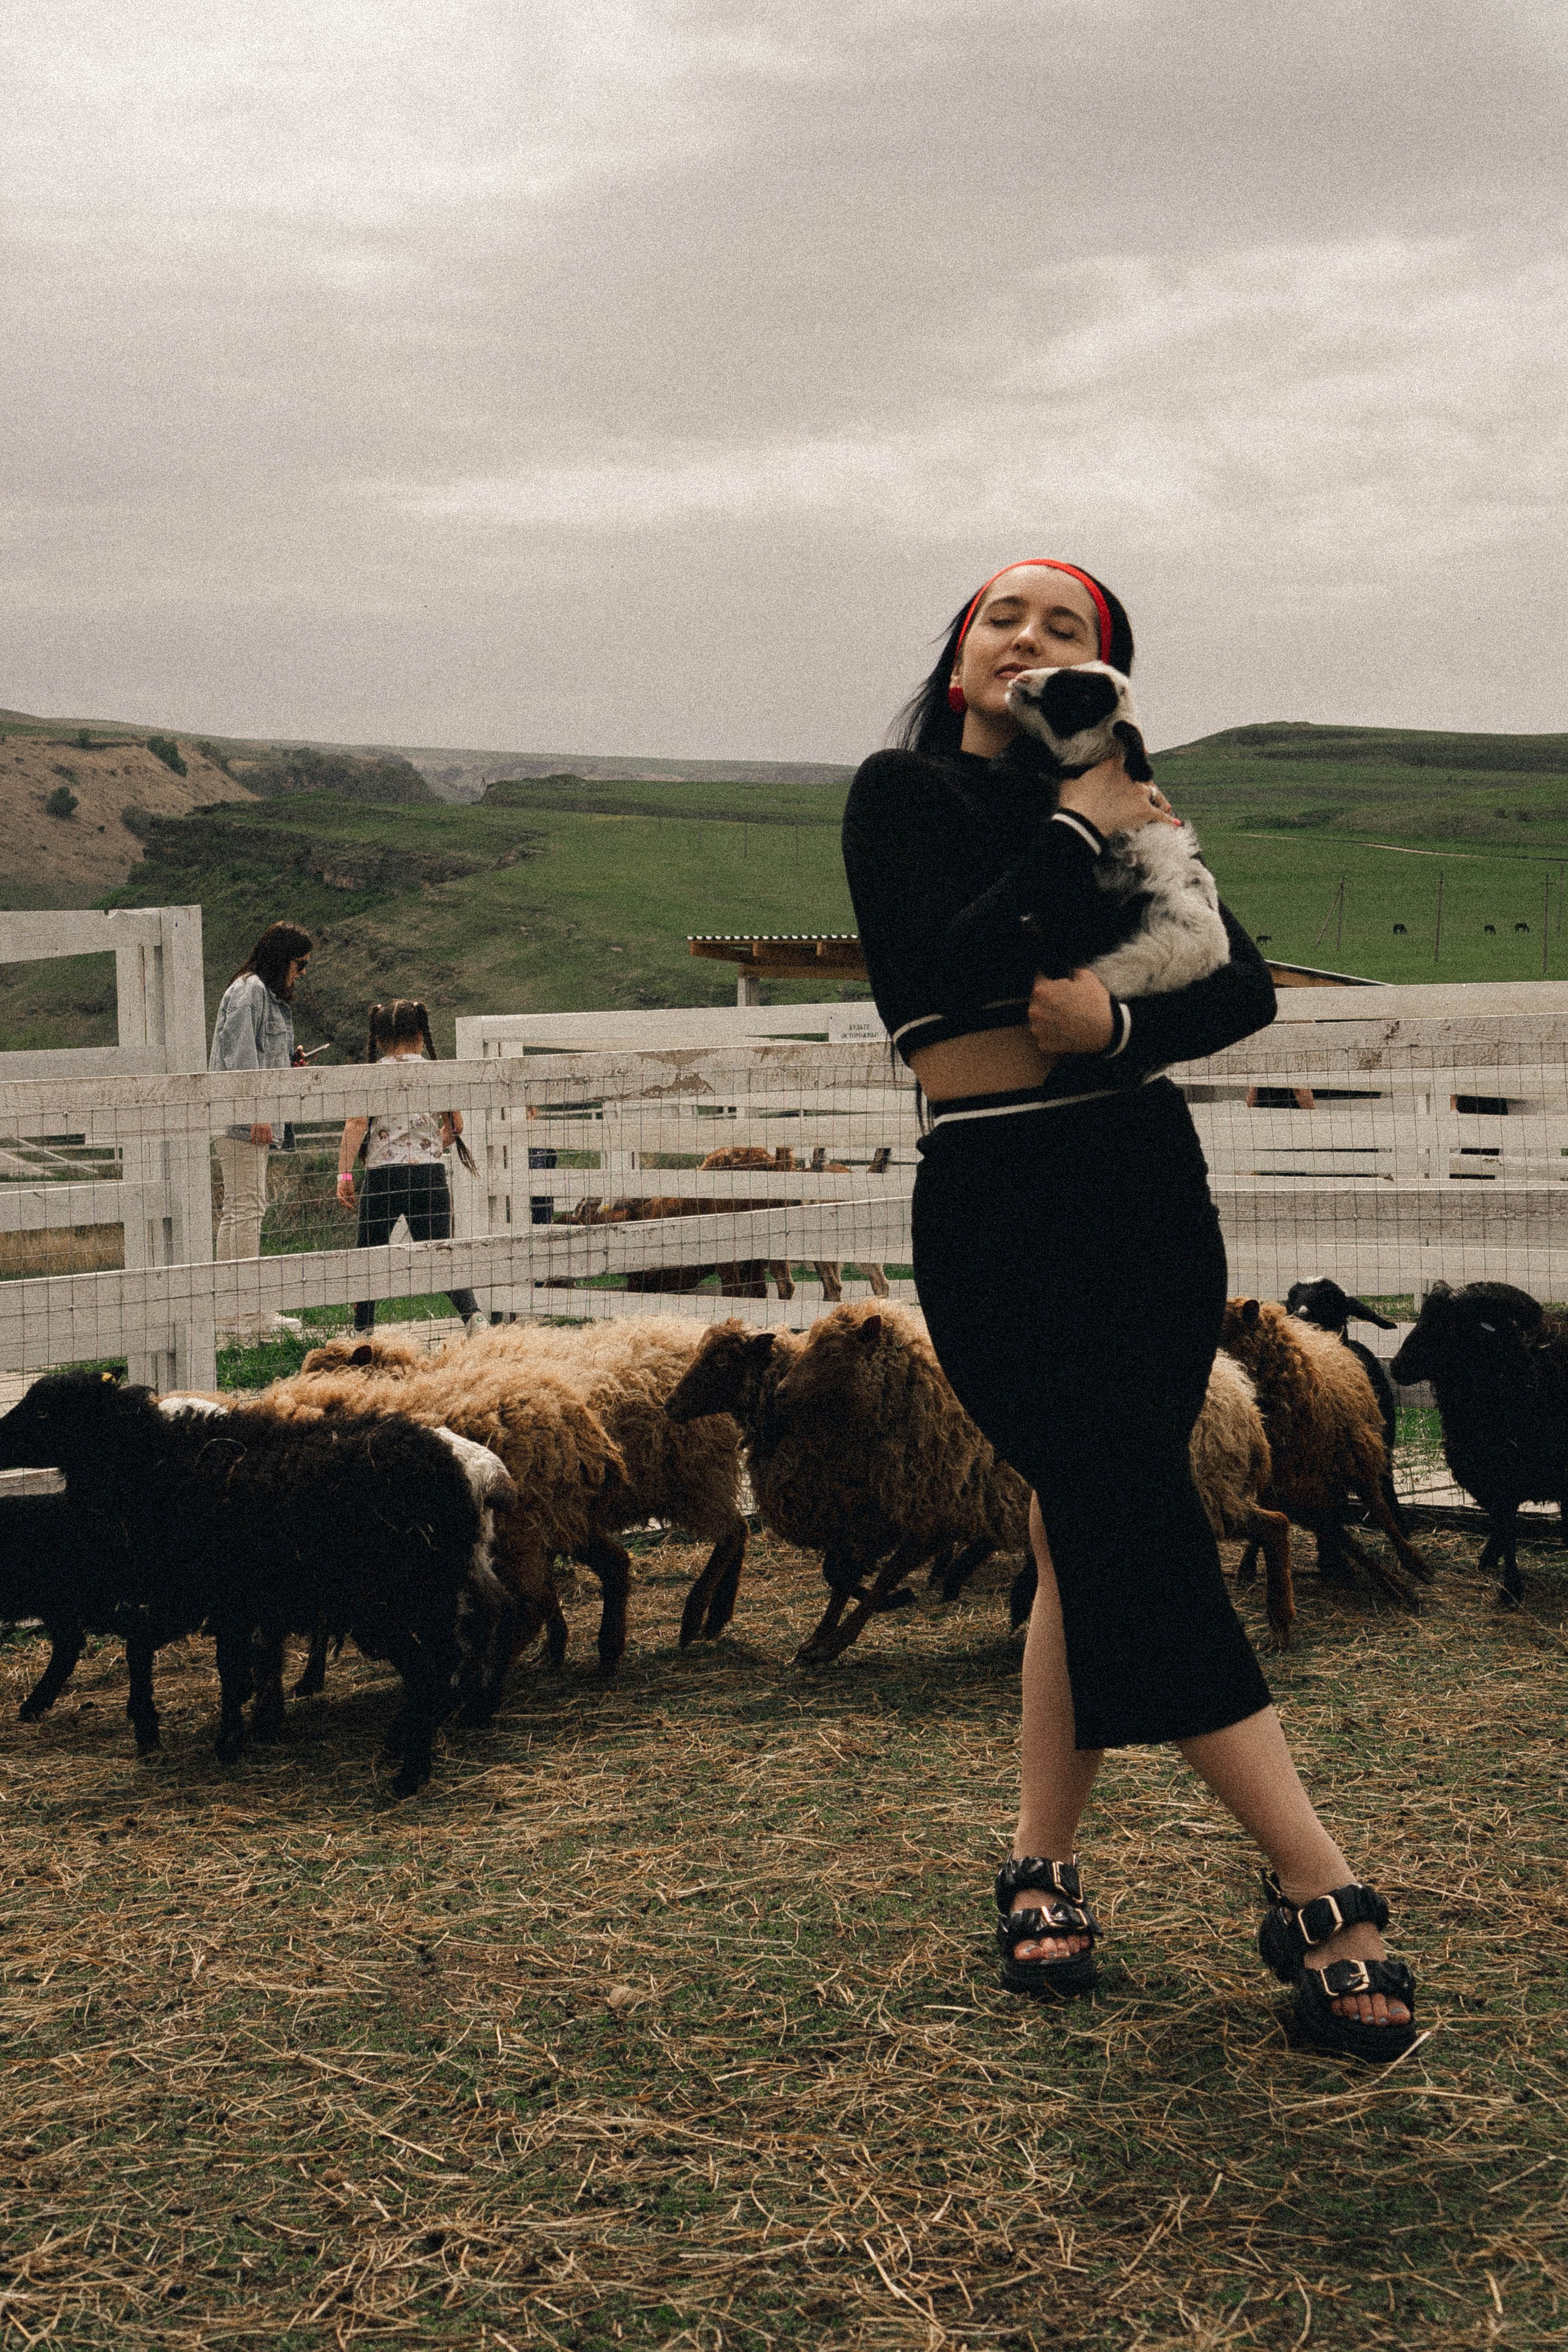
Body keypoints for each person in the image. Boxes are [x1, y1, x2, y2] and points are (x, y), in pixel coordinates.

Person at [841, 560, 1416, 2062]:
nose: (1025, 639)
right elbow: (943, 961)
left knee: (1084, 1516)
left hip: (1140, 1189)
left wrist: (1121, 1021)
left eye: (1066, 629)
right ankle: (1319, 1886)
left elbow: (1240, 983)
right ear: (963, 652)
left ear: (1101, 677)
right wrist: (1066, 831)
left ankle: (1039, 1861)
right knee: (1118, 1510)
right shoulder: (898, 797)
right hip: (994, 1192)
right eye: (1002, 617)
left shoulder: (1129, 802)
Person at [336, 999, 484, 1336]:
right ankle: (474, 1318)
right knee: (440, 1253)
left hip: (382, 1177)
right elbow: (456, 1125)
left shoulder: (371, 1075)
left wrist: (345, 1175)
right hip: (427, 1176)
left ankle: (362, 1332)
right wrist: (433, 1142)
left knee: (369, 1256)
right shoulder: (435, 1073)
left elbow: (356, 1124)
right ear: (420, 1034)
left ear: (379, 1038)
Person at [208, 921, 314, 1340]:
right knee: (245, 1208)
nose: (301, 973)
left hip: (246, 1116)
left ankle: (238, 1309)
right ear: (282, 959)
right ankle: (241, 1313)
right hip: (242, 1118)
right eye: (300, 964)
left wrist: (288, 1063)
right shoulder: (250, 992)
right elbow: (239, 1057)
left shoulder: (258, 993)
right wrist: (257, 1111)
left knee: (245, 1207)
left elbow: (256, 1053)